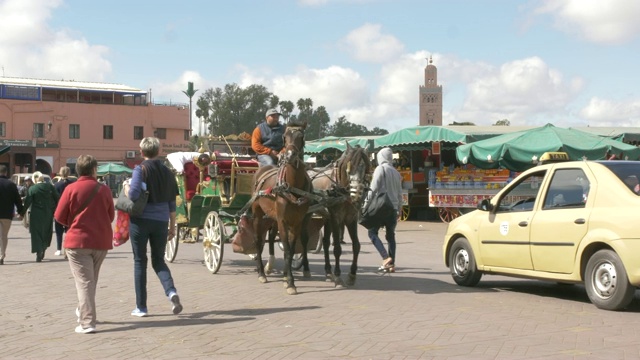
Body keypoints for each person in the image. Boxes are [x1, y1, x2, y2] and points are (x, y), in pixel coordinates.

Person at [54, 155, 114, 334]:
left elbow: (59, 216)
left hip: (78, 240)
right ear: (94, 169)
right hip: (100, 241)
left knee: (85, 281)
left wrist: (72, 223)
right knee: (90, 280)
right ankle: (83, 309)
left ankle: (87, 321)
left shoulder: (71, 189)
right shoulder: (104, 190)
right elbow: (110, 215)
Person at [128, 137, 182, 317]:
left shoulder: (140, 169)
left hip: (141, 221)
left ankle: (141, 307)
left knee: (139, 262)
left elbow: (134, 195)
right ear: (159, 151)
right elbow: (172, 203)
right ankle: (171, 292)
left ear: (141, 152)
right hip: (161, 221)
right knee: (159, 261)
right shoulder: (168, 172)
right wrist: (172, 226)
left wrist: (127, 189)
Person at [364, 147, 403, 271]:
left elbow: (373, 189)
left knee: (372, 233)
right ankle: (391, 264)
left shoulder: (380, 169)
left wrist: (365, 205)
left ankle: (385, 258)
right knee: (391, 236)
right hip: (393, 209)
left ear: (380, 157)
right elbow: (400, 194)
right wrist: (400, 209)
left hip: (382, 207)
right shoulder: (397, 173)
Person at [21, 171, 59, 262]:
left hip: (36, 215)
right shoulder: (50, 187)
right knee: (46, 231)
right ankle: (44, 247)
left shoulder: (32, 189)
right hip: (48, 213)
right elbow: (58, 198)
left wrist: (21, 213)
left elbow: (27, 202)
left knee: (36, 233)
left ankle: (39, 251)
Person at [0, 165, 24, 265]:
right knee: (3, 235)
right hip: (7, 214)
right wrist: (21, 212)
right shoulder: (11, 184)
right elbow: (17, 200)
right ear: (6, 172)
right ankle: (1, 255)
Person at [54, 166, 76, 256]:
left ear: (60, 173)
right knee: (68, 230)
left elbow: (54, 199)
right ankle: (68, 247)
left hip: (59, 210)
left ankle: (59, 249)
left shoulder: (56, 185)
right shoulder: (72, 184)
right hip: (70, 211)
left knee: (58, 231)